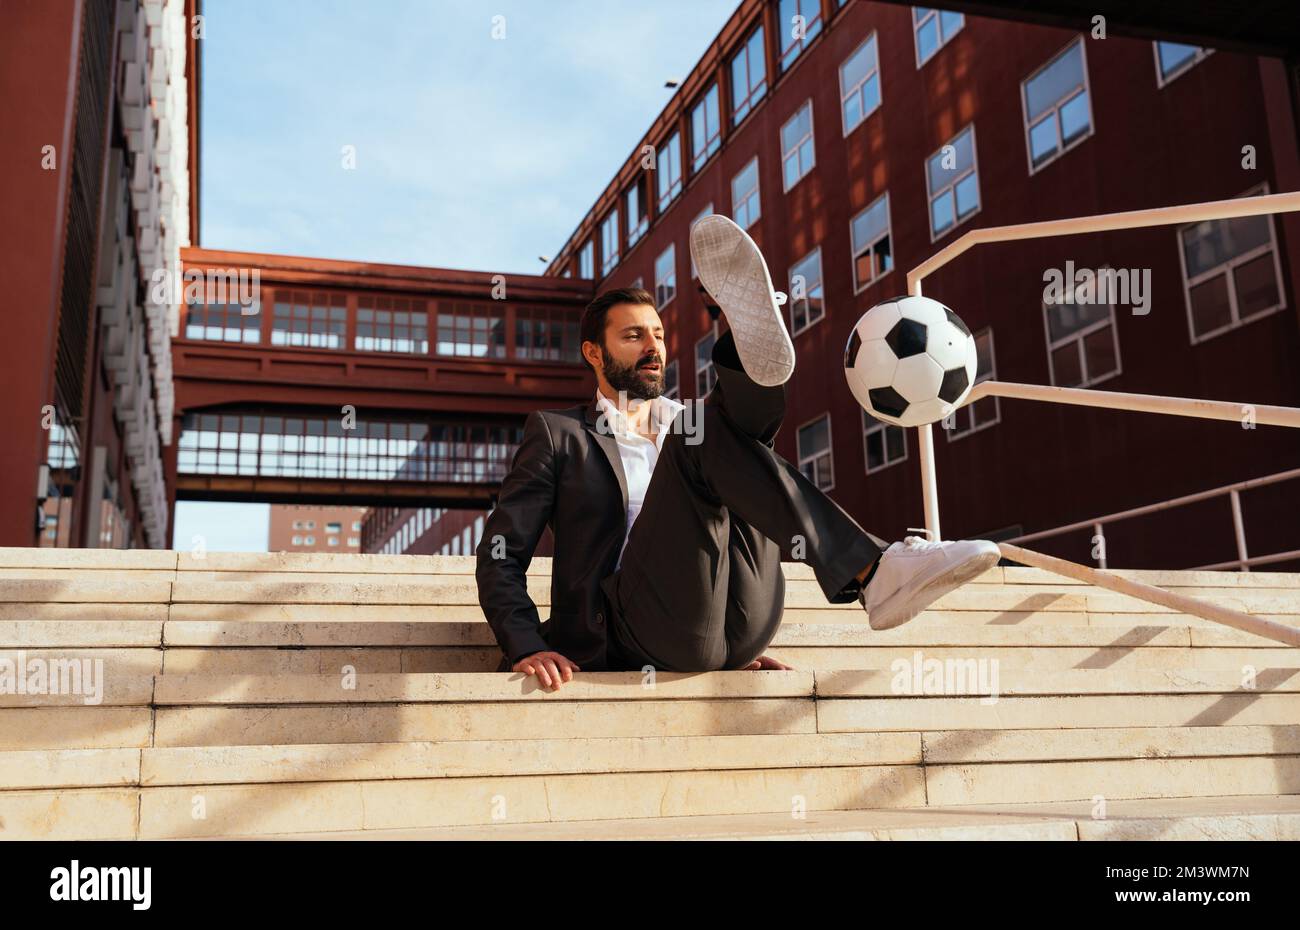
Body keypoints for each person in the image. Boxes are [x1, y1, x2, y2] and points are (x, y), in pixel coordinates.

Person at [476, 215, 999, 689]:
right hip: (632, 631)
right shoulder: (558, 433)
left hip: (737, 620)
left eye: (658, 335)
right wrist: (528, 643)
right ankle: (871, 569)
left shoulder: (687, 425)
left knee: (721, 431)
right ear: (594, 353)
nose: (653, 348)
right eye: (633, 336)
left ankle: (750, 355)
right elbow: (502, 554)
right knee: (703, 433)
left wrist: (728, 638)